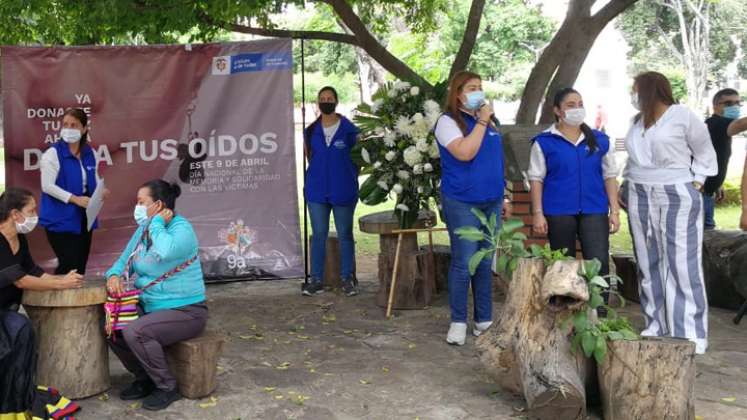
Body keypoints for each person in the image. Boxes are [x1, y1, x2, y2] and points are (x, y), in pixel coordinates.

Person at [621, 71, 717, 354]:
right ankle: (655, 324)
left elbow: (704, 151)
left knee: (681, 263)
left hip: (676, 191)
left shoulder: (682, 116)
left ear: (650, 90)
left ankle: (690, 332)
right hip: (639, 192)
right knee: (647, 260)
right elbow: (632, 158)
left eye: (635, 89)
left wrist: (698, 181)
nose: (633, 95)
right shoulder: (636, 121)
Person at [105, 180, 207, 411]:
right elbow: (123, 260)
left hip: (186, 311)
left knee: (136, 332)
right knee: (114, 326)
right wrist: (114, 276)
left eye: (141, 202)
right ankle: (144, 378)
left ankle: (166, 387)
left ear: (158, 205)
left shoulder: (181, 229)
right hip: (151, 305)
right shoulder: (144, 229)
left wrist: (158, 223)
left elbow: (165, 250)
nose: (137, 207)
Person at [528, 88, 620, 315]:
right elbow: (536, 178)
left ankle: (600, 317)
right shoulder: (544, 141)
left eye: (580, 103)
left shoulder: (599, 140)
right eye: (570, 104)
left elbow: (610, 176)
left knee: (598, 264)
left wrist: (615, 210)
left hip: (594, 208)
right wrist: (538, 213)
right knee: (563, 266)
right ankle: (565, 318)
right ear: (557, 111)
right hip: (558, 211)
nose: (577, 108)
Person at [434, 71, 505, 346]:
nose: (478, 92)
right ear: (458, 93)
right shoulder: (447, 122)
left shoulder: (489, 123)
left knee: (485, 261)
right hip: (462, 201)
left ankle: (483, 318)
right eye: (472, 88)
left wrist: (504, 195)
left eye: (480, 87)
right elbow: (465, 152)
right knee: (464, 262)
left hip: (492, 200)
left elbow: (496, 159)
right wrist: (482, 121)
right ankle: (458, 321)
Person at [0, 188, 83, 418]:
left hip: (6, 310)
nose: (35, 215)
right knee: (13, 335)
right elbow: (20, 280)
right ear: (15, 214)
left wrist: (63, 279)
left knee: (23, 330)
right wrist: (60, 285)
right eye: (32, 210)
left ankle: (16, 398)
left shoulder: (20, 239)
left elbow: (34, 271)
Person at [302, 86, 360, 297]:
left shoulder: (350, 130)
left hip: (343, 188)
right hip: (317, 189)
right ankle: (315, 279)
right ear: (318, 103)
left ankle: (347, 279)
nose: (326, 101)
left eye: (330, 98)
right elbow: (311, 157)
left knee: (345, 234)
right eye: (322, 98)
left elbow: (358, 160)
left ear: (336, 101)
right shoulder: (310, 131)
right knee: (319, 234)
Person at [40, 108, 103, 275]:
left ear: (84, 129)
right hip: (59, 218)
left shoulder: (90, 153)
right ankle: (58, 299)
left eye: (74, 125)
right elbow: (47, 186)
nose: (68, 129)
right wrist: (74, 199)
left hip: (84, 217)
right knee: (68, 265)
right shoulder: (53, 154)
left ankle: (75, 300)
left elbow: (94, 178)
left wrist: (101, 191)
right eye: (65, 124)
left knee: (80, 266)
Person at [703, 89, 747, 229]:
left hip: (707, 190)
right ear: (715, 106)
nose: (734, 107)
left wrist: (717, 184)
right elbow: (740, 125)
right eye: (728, 103)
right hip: (700, 194)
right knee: (705, 235)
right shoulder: (716, 123)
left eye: (737, 103)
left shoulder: (715, 125)